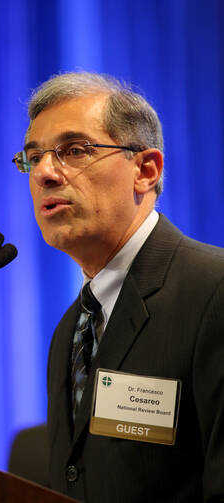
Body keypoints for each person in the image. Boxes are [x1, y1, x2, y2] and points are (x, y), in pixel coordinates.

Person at [12, 72, 224, 502]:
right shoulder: (70, 330)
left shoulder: (213, 293)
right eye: (33, 158)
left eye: (74, 151)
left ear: (145, 170)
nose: (45, 174)